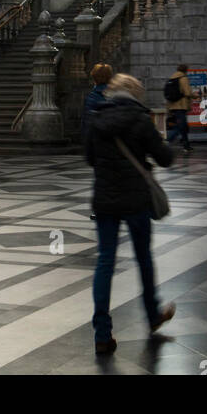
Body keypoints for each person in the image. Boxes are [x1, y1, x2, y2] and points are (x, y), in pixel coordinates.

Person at [85, 73, 176, 355]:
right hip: (136, 199)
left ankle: (102, 333)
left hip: (105, 199)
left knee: (105, 263)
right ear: (135, 94)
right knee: (143, 258)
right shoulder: (140, 120)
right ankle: (152, 315)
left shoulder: (96, 120)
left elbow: (88, 158)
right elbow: (165, 158)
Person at [165, 62, 192, 153]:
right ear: (186, 70)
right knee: (180, 127)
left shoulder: (172, 78)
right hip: (181, 106)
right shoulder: (183, 78)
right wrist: (195, 95)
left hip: (172, 106)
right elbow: (187, 93)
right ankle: (167, 141)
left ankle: (186, 145)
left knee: (183, 126)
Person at [81, 63, 113, 142]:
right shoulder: (116, 95)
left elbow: (87, 125)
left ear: (94, 78)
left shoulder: (91, 98)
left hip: (98, 141)